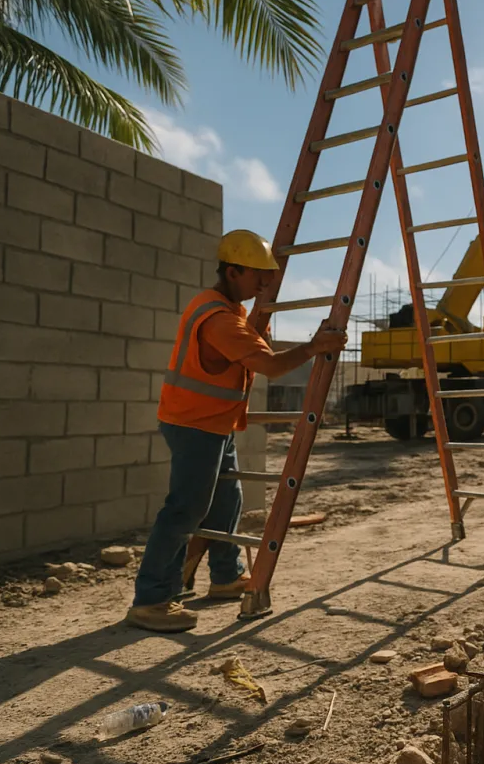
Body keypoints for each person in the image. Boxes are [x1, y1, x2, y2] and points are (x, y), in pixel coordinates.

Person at [126, 229, 348, 633]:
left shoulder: (226, 308)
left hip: (213, 421)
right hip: (194, 423)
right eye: (257, 276)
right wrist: (314, 347)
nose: (265, 284)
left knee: (228, 501)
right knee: (185, 508)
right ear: (232, 272)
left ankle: (225, 575)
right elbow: (272, 367)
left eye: (269, 276)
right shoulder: (220, 319)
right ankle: (152, 598)